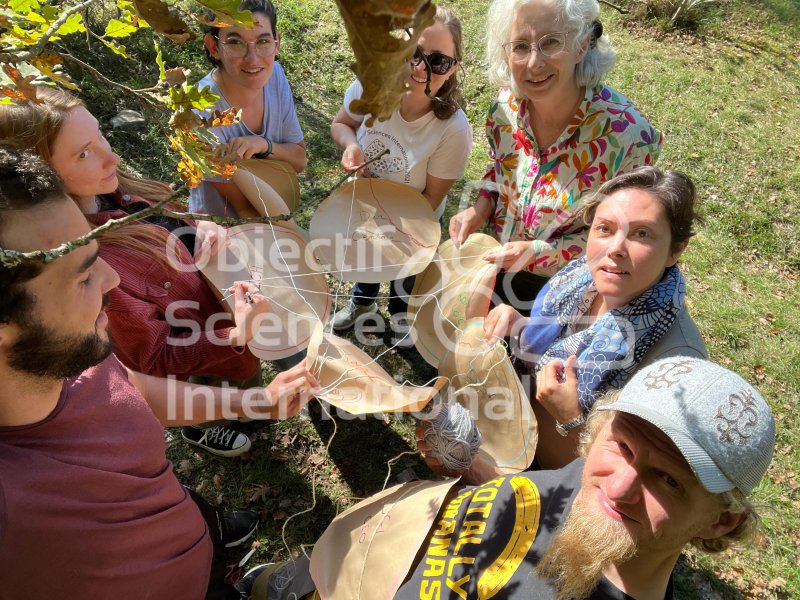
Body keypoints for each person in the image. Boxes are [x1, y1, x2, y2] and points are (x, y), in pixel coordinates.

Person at [0, 147, 320, 599]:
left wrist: (254, 402)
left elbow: (126, 388)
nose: (112, 281)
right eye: (83, 276)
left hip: (192, 540)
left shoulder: (70, 357)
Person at [241, 356, 776, 600]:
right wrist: (468, 461)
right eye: (621, 446)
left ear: (723, 523)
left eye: (670, 483)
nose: (616, 487)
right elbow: (529, 502)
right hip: (367, 550)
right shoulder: (591, 483)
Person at [0, 86, 269, 457]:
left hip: (220, 308)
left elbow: (170, 218)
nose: (111, 156)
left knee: (242, 377)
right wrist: (237, 332)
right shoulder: (95, 263)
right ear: (40, 178)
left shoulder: (114, 186)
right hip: (200, 352)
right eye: (83, 153)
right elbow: (155, 358)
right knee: (214, 393)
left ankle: (244, 409)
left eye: (99, 136)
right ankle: (202, 428)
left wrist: (199, 226)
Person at [474, 167, 708, 472]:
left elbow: (633, 479)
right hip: (508, 443)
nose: (615, 249)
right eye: (605, 229)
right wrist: (516, 323)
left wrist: (571, 419)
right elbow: (550, 348)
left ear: (675, 250)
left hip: (551, 487)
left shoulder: (675, 362)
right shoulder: (580, 277)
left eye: (642, 234)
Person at [449, 0, 663, 313]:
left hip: (563, 292)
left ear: (582, 44)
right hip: (493, 266)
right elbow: (499, 169)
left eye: (551, 42)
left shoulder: (628, 137)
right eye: (520, 46)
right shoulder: (504, 108)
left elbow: (623, 241)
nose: (534, 63)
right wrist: (479, 210)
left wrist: (538, 253)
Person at [329, 5, 473, 348]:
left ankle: (400, 315)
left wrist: (389, 229)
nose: (422, 68)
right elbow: (341, 123)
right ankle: (360, 302)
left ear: (453, 69)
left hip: (413, 222)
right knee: (367, 263)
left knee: (404, 276)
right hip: (364, 209)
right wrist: (350, 145)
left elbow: (430, 202)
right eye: (414, 53)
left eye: (438, 61)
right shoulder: (370, 87)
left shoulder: (452, 130)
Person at [189, 0, 307, 219]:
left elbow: (299, 160)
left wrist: (263, 145)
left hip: (274, 213)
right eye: (235, 42)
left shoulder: (275, 75)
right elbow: (246, 210)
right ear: (213, 47)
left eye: (263, 41)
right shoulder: (200, 114)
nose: (253, 59)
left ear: (277, 42)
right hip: (222, 232)